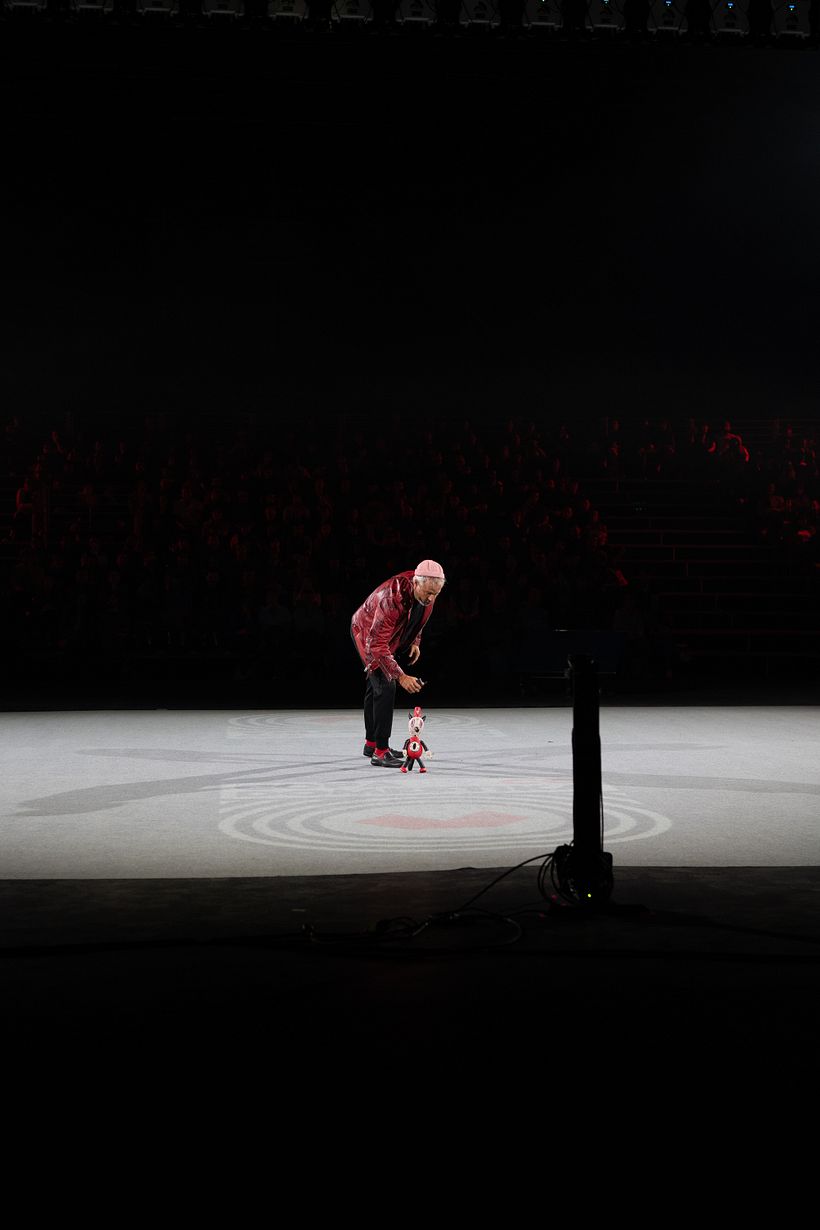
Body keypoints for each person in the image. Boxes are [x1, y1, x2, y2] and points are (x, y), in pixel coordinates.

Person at [350, 560, 445, 767]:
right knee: (386, 684)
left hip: (388, 634)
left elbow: (420, 616)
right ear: (416, 583)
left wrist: (415, 641)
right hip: (366, 631)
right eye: (428, 592)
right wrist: (401, 676)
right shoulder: (393, 598)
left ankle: (371, 744)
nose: (431, 598)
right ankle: (380, 752)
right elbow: (376, 644)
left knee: (374, 685)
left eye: (435, 594)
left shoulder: (428, 588)